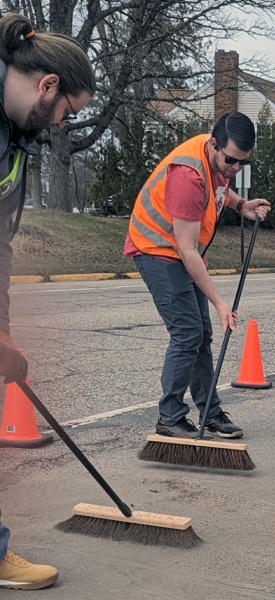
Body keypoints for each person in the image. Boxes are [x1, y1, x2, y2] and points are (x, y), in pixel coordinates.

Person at [0, 11, 95, 590]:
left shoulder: (16, 140)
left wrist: (3, 334)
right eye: (69, 112)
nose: (64, 123)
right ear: (48, 86)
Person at [125, 112, 270, 439]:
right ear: (214, 144)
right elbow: (188, 251)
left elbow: (217, 189)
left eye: (243, 164)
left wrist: (241, 205)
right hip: (156, 248)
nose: (235, 168)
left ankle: (209, 412)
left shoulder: (217, 160)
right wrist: (219, 302)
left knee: (200, 334)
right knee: (189, 332)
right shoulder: (187, 176)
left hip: (180, 252)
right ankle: (170, 417)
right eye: (231, 160)